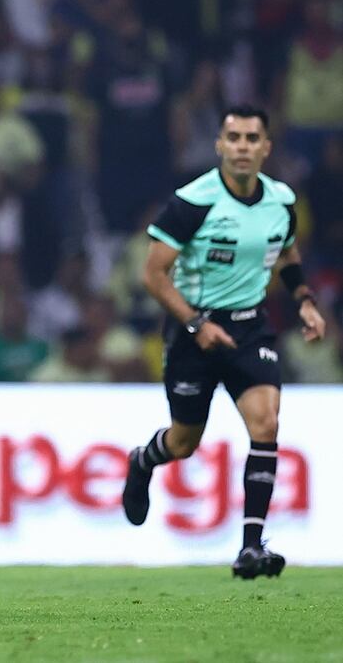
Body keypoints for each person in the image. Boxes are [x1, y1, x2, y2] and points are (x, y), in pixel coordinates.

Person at [121, 105, 326, 579]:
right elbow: (153, 275)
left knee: (266, 422)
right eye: (234, 138)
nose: (242, 147)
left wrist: (305, 300)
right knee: (184, 442)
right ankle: (142, 461)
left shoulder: (281, 200)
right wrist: (196, 324)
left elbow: (286, 252)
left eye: (252, 139)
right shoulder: (193, 202)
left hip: (250, 328)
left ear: (266, 148)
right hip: (193, 333)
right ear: (219, 145)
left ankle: (251, 547)